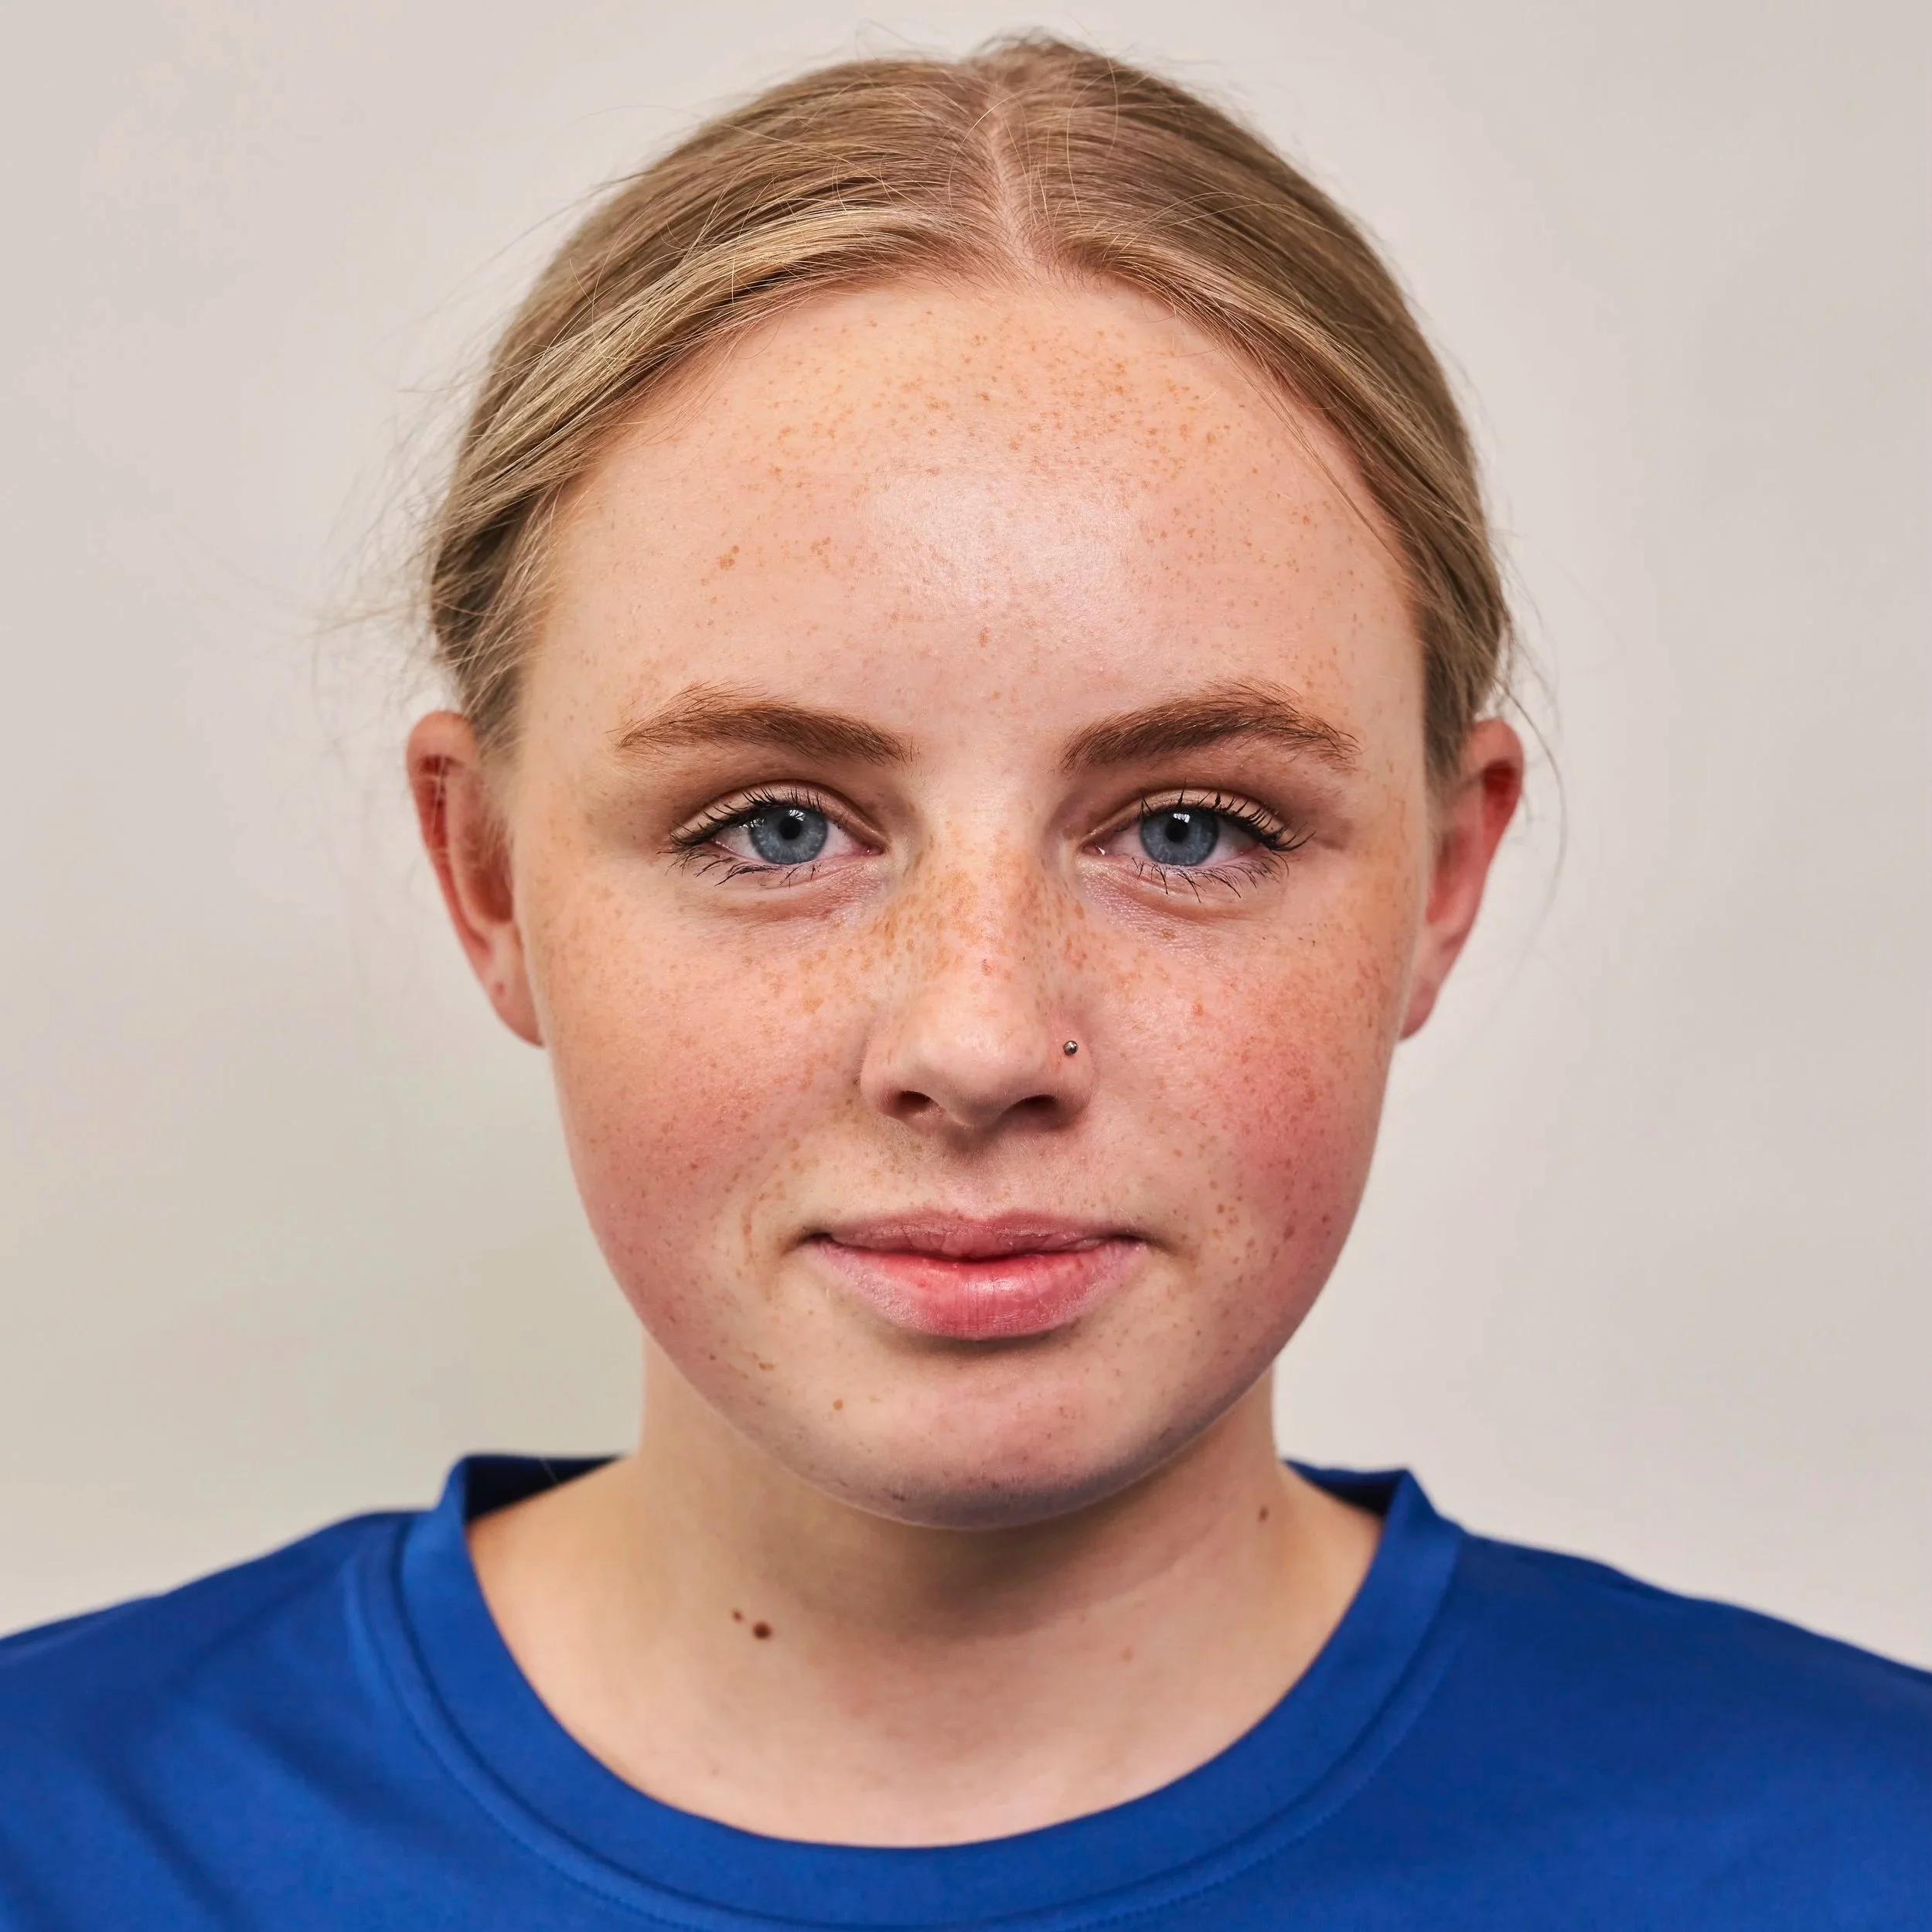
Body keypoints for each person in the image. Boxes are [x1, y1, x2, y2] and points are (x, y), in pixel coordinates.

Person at [1, 35, 1925, 1930]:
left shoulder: (1862, 1855)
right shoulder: (58, 1840)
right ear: (486, 874)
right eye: (770, 827)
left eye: (1187, 828)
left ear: (1441, 875)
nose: (981, 1037)